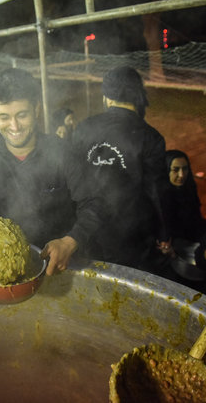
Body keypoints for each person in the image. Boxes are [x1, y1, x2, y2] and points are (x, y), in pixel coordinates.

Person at [0, 68, 102, 275]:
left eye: (22, 115)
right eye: (4, 116)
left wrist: (69, 242)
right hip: (8, 273)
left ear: (36, 109)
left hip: (63, 267)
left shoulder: (64, 153)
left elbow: (94, 203)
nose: (14, 126)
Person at [71, 65, 171, 269]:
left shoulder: (83, 128)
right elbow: (157, 192)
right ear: (138, 95)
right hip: (133, 236)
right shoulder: (151, 137)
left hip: (89, 231)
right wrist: (164, 232)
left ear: (106, 97)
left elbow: (73, 180)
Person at [164, 150, 206, 243]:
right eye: (175, 170)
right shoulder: (158, 196)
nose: (181, 175)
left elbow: (195, 219)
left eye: (185, 169)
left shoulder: (189, 186)